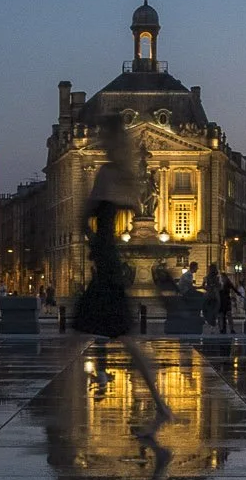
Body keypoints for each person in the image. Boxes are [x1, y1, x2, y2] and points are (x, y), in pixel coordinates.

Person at [71, 115, 174, 435]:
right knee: (124, 339)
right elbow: (135, 204)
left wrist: (89, 236)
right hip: (111, 262)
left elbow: (86, 216)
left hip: (106, 264)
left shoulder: (106, 172)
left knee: (80, 336)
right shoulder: (125, 175)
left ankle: (66, 415)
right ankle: (159, 404)